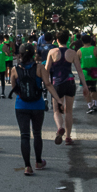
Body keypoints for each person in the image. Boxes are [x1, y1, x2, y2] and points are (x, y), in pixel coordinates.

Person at [10, 43, 60, 176]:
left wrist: (22, 95)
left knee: (24, 135)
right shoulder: (39, 68)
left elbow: (14, 87)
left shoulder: (14, 69)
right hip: (37, 105)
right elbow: (48, 84)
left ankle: (27, 166)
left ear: (19, 55)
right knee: (37, 133)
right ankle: (38, 161)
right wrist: (58, 99)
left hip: (21, 106)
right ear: (34, 54)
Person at [44, 30, 87, 145]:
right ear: (68, 39)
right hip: (70, 82)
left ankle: (59, 128)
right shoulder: (72, 52)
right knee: (69, 111)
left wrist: (46, 83)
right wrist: (85, 86)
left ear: (57, 40)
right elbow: (79, 70)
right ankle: (68, 137)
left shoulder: (52, 52)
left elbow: (47, 69)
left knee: (57, 111)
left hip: (57, 84)